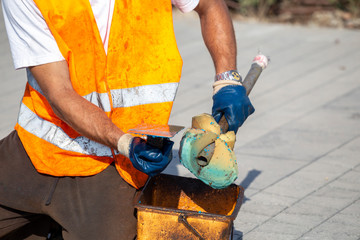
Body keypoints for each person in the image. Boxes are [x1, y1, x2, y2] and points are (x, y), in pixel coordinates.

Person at [0, 0, 254, 239]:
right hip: (32, 154)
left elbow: (210, 6)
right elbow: (60, 93)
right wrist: (125, 143)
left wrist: (227, 78)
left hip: (110, 168)